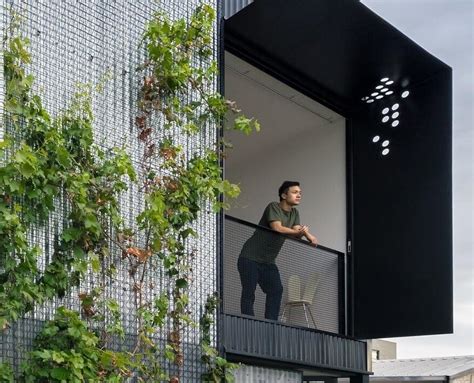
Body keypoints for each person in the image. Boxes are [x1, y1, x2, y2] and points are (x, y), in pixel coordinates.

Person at [237, 181, 318, 321]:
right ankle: (247, 322)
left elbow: (297, 232)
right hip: (250, 257)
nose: (299, 195)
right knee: (249, 292)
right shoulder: (274, 206)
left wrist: (307, 235)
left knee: (276, 290)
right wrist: (299, 232)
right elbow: (277, 228)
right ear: (283, 195)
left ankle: (270, 323)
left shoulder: (294, 213)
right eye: (294, 192)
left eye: (300, 193)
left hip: (268, 262)